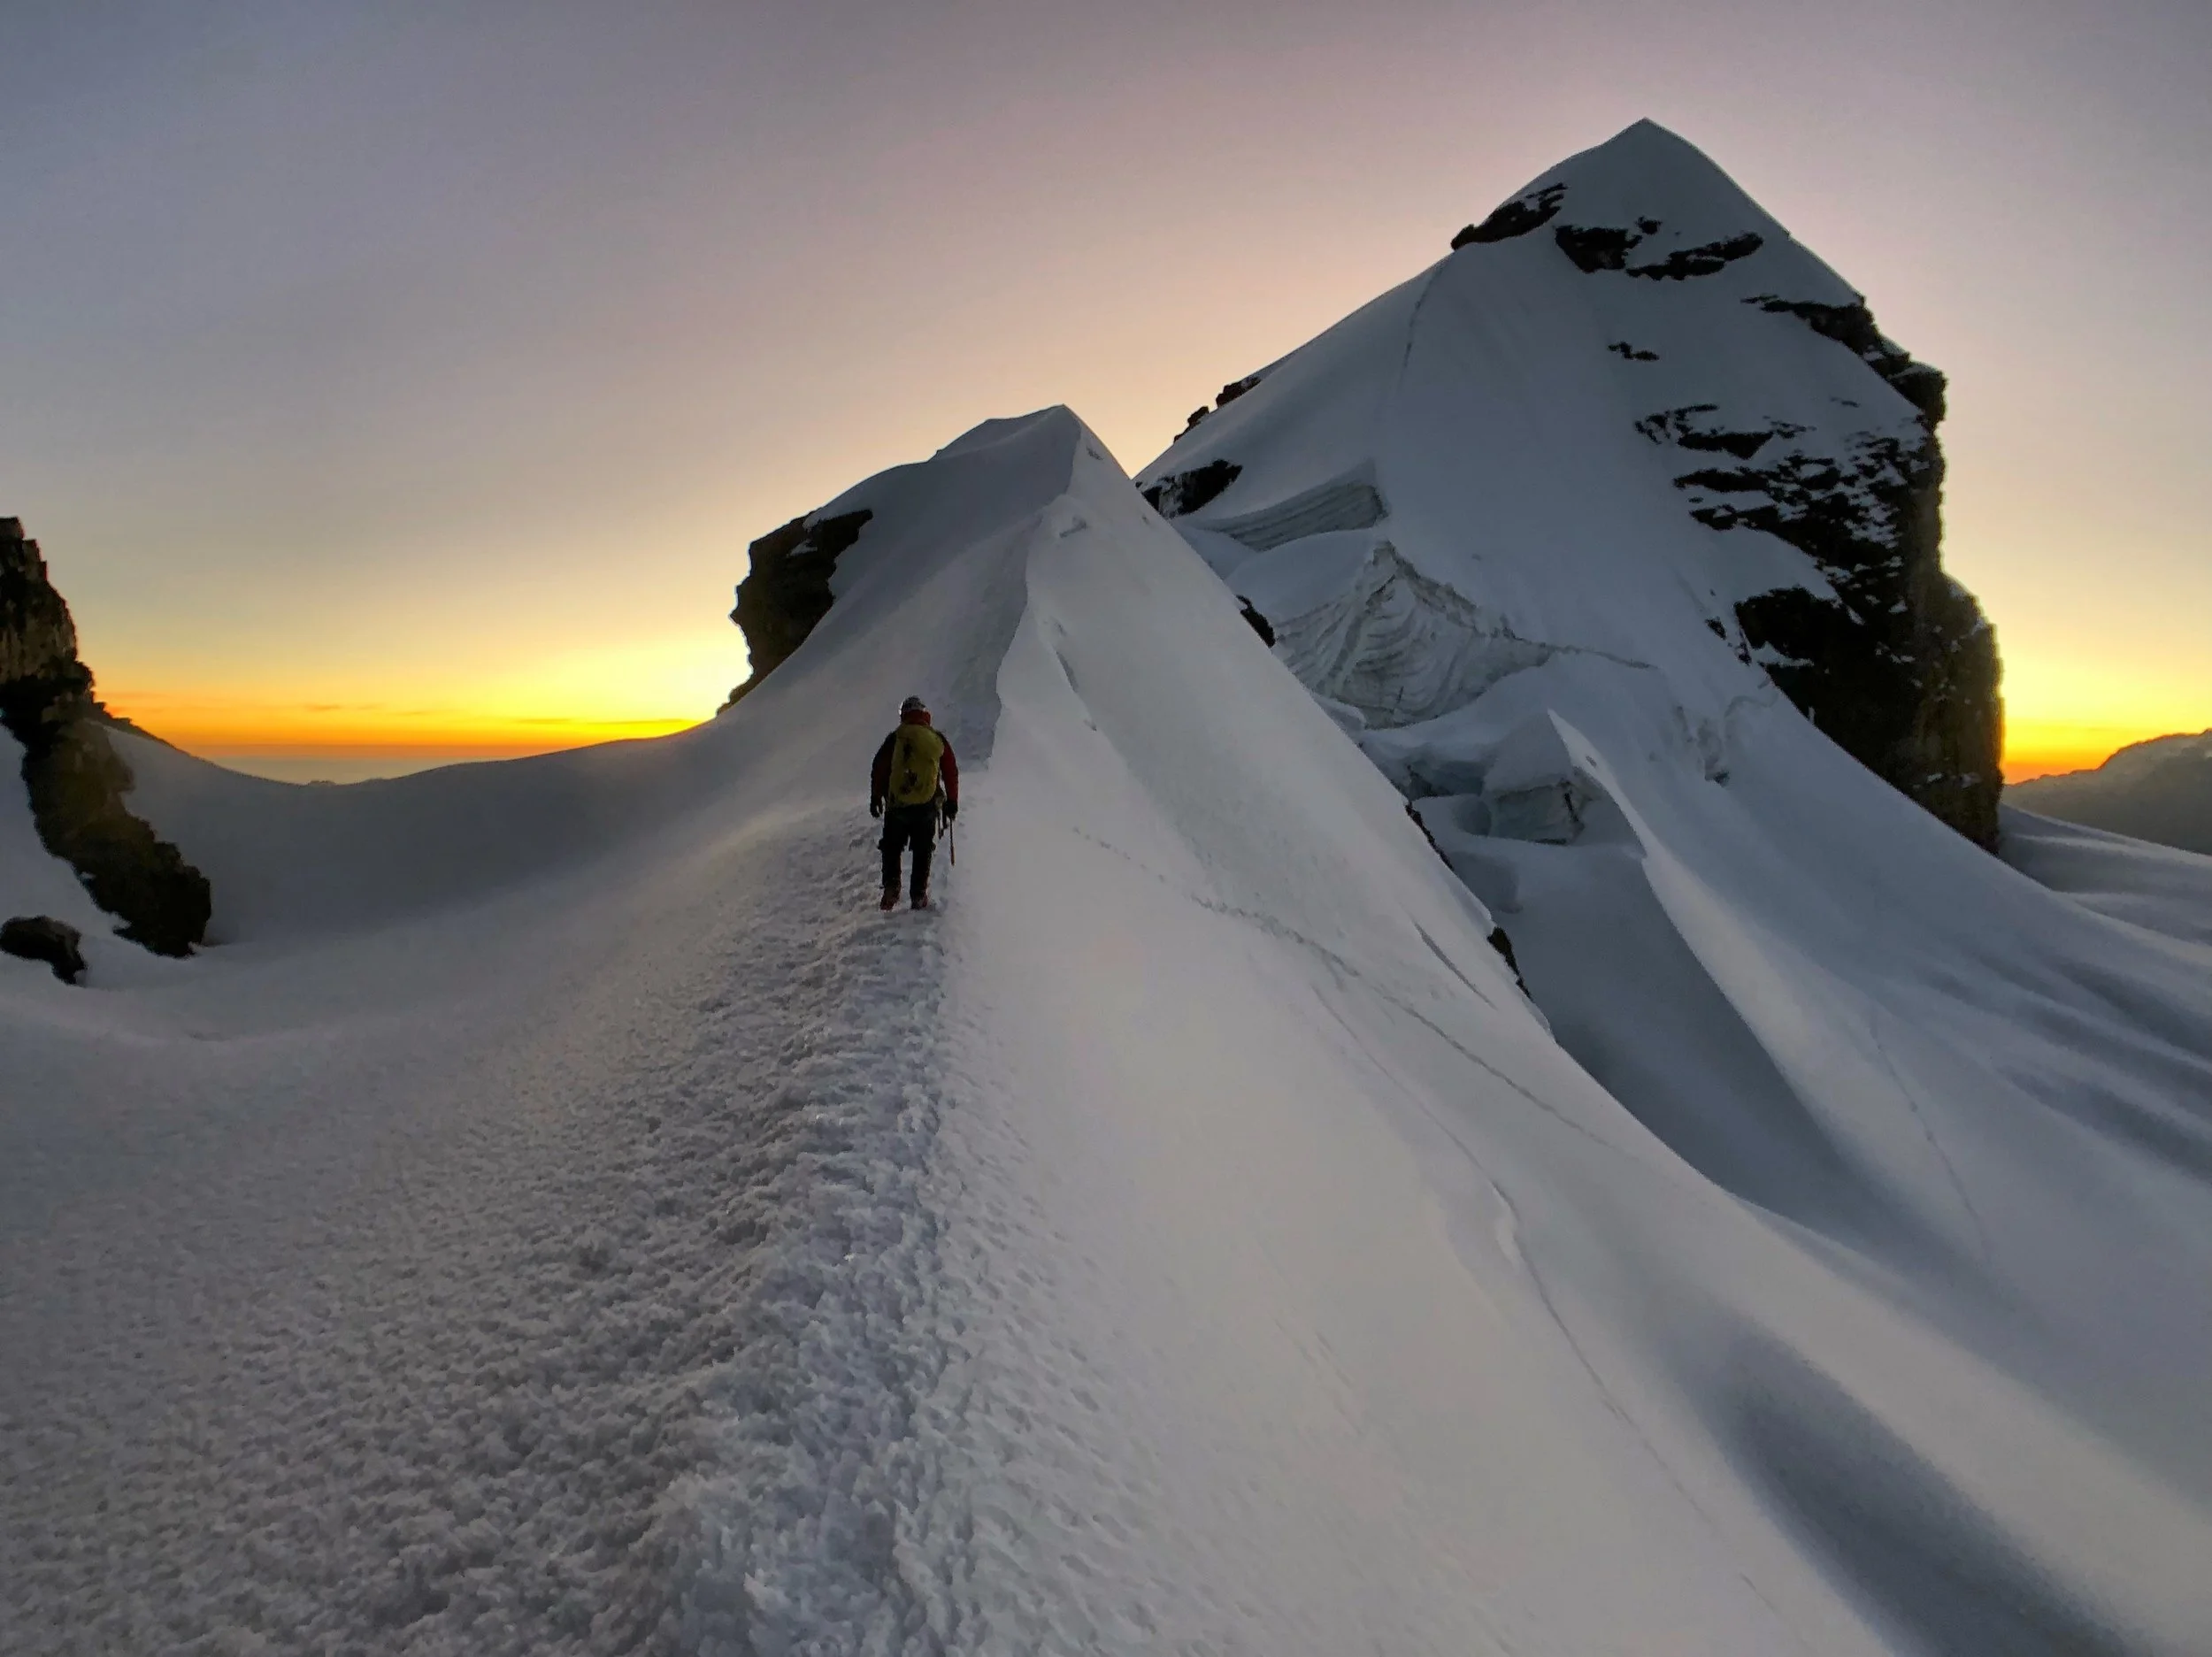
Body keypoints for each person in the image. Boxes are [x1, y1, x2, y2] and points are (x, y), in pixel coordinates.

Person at [869, 694, 958, 910]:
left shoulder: (897, 738)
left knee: (891, 847)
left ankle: (891, 889)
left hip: (897, 805)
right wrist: (952, 801)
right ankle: (918, 895)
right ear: (925, 713)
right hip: (927, 805)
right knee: (922, 849)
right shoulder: (936, 739)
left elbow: (879, 768)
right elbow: (950, 770)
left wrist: (876, 797)